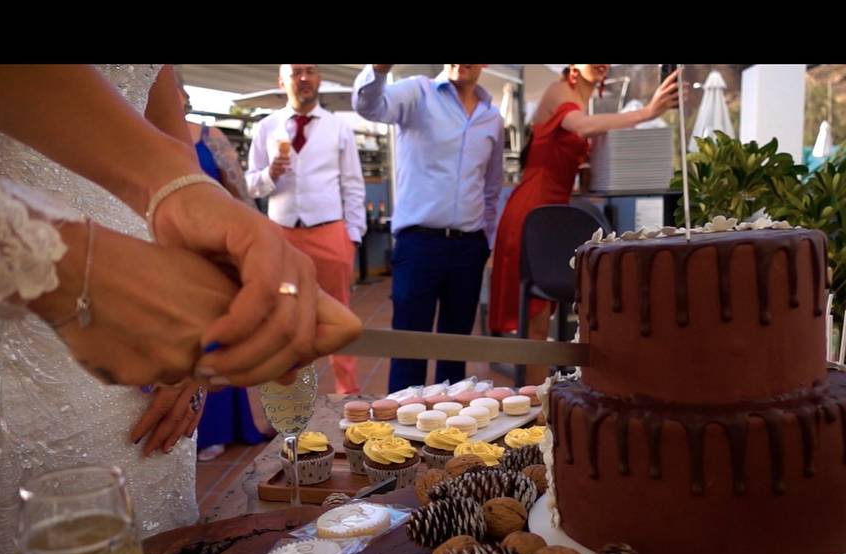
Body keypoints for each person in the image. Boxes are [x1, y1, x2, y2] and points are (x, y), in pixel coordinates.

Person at [0, 64, 361, 554]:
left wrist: (181, 200)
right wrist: (70, 266)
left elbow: (164, 144)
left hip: (154, 305)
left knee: (157, 535)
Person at [488, 64, 679, 383]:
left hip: (551, 208)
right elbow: (582, 127)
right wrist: (646, 113)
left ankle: (539, 405)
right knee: (535, 318)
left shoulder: (579, 97)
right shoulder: (559, 90)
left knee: (541, 316)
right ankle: (535, 411)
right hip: (534, 209)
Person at [352, 64, 503, 393]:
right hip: (419, 244)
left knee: (456, 348)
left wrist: (486, 243)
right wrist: (378, 70)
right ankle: (401, 436)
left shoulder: (492, 117)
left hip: (469, 247)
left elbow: (491, 187)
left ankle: (450, 437)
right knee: (409, 345)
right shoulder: (417, 93)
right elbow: (369, 106)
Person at [247, 64, 366, 395]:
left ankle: (347, 396)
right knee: (283, 320)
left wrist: (352, 237)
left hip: (330, 231)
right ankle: (288, 400)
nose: (304, 78)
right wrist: (270, 174)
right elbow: (249, 185)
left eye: (310, 71)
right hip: (282, 234)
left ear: (319, 79)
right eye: (296, 71)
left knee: (339, 319)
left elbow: (353, 185)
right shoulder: (266, 127)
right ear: (282, 80)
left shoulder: (338, 127)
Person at [178, 85, 271, 461]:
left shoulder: (208, 136)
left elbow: (241, 194)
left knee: (212, 337)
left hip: (209, 252)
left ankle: (215, 429)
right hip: (159, 250)